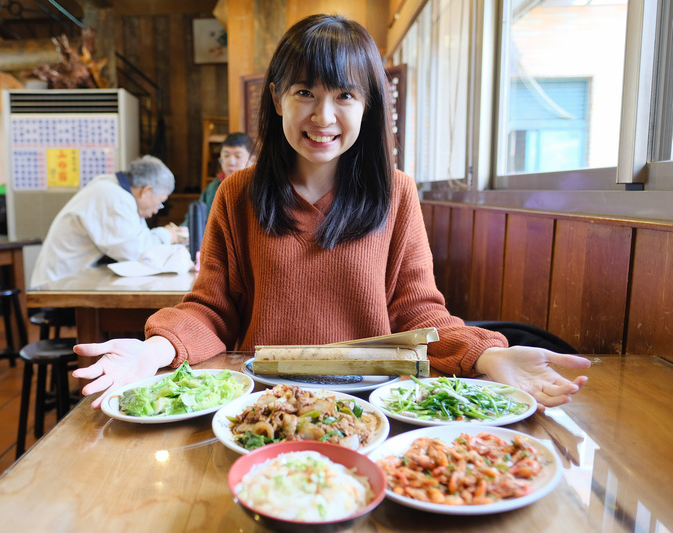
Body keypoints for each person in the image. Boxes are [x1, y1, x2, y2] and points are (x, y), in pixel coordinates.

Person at [73, 14, 589, 410]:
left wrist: (487, 354)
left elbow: (418, 314)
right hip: (261, 406)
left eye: (345, 95)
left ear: (368, 105)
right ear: (277, 98)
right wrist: (153, 351)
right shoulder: (238, 194)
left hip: (376, 407)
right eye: (305, 93)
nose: (324, 116)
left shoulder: (396, 193)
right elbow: (212, 310)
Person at [30, 155, 180, 288]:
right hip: (55, 288)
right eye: (161, 201)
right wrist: (167, 234)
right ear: (146, 190)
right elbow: (136, 252)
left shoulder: (115, 190)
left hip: (70, 281)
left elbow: (137, 237)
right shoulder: (113, 197)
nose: (157, 210)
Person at [181, 132, 254, 229]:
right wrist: (181, 230)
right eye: (226, 156)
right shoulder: (213, 187)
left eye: (238, 156)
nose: (231, 162)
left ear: (253, 159)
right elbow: (194, 220)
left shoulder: (258, 187)